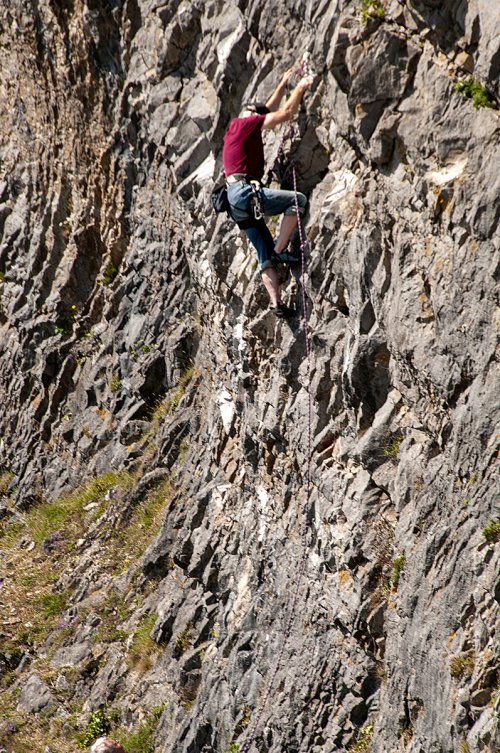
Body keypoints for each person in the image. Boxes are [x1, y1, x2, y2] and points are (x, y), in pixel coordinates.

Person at [222, 67, 313, 318]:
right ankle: (280, 249)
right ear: (251, 115)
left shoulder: (236, 128)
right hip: (244, 192)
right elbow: (284, 113)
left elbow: (268, 109)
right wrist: (301, 87)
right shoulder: (247, 123)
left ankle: (276, 303)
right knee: (298, 200)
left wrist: (283, 82)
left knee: (263, 256)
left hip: (235, 200)